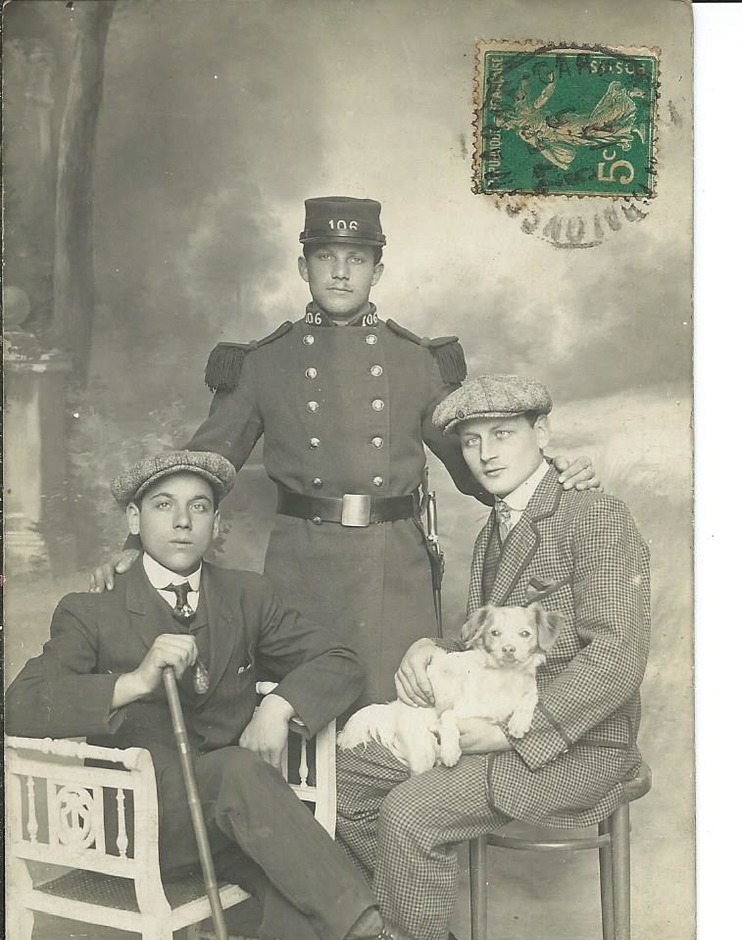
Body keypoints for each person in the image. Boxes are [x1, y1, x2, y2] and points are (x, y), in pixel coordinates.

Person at [5, 449, 499, 940]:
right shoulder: (92, 609)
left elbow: (339, 661)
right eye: (164, 505)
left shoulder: (245, 596)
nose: (183, 521)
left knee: (300, 904)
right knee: (242, 771)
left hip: (242, 824)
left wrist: (282, 706)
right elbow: (21, 704)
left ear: (217, 526)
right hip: (142, 828)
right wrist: (132, 681)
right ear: (134, 520)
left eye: (200, 507)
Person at [91, 196, 598, 709]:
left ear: (377, 271)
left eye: (355, 259)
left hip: (393, 565)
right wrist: (137, 545)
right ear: (302, 266)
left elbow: (478, 469)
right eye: (325, 257)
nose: (339, 272)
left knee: (403, 714)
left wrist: (555, 475)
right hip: (301, 564)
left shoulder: (416, 360)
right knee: (298, 713)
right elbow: (202, 466)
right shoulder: (264, 363)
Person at [335, 374, 651, 940]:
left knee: (409, 812)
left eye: (502, 434)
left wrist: (511, 732)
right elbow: (488, 643)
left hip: (576, 742)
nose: (483, 453)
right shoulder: (492, 531)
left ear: (543, 434)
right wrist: (430, 648)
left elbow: (618, 659)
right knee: (345, 782)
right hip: (490, 723)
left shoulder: (593, 515)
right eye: (470, 442)